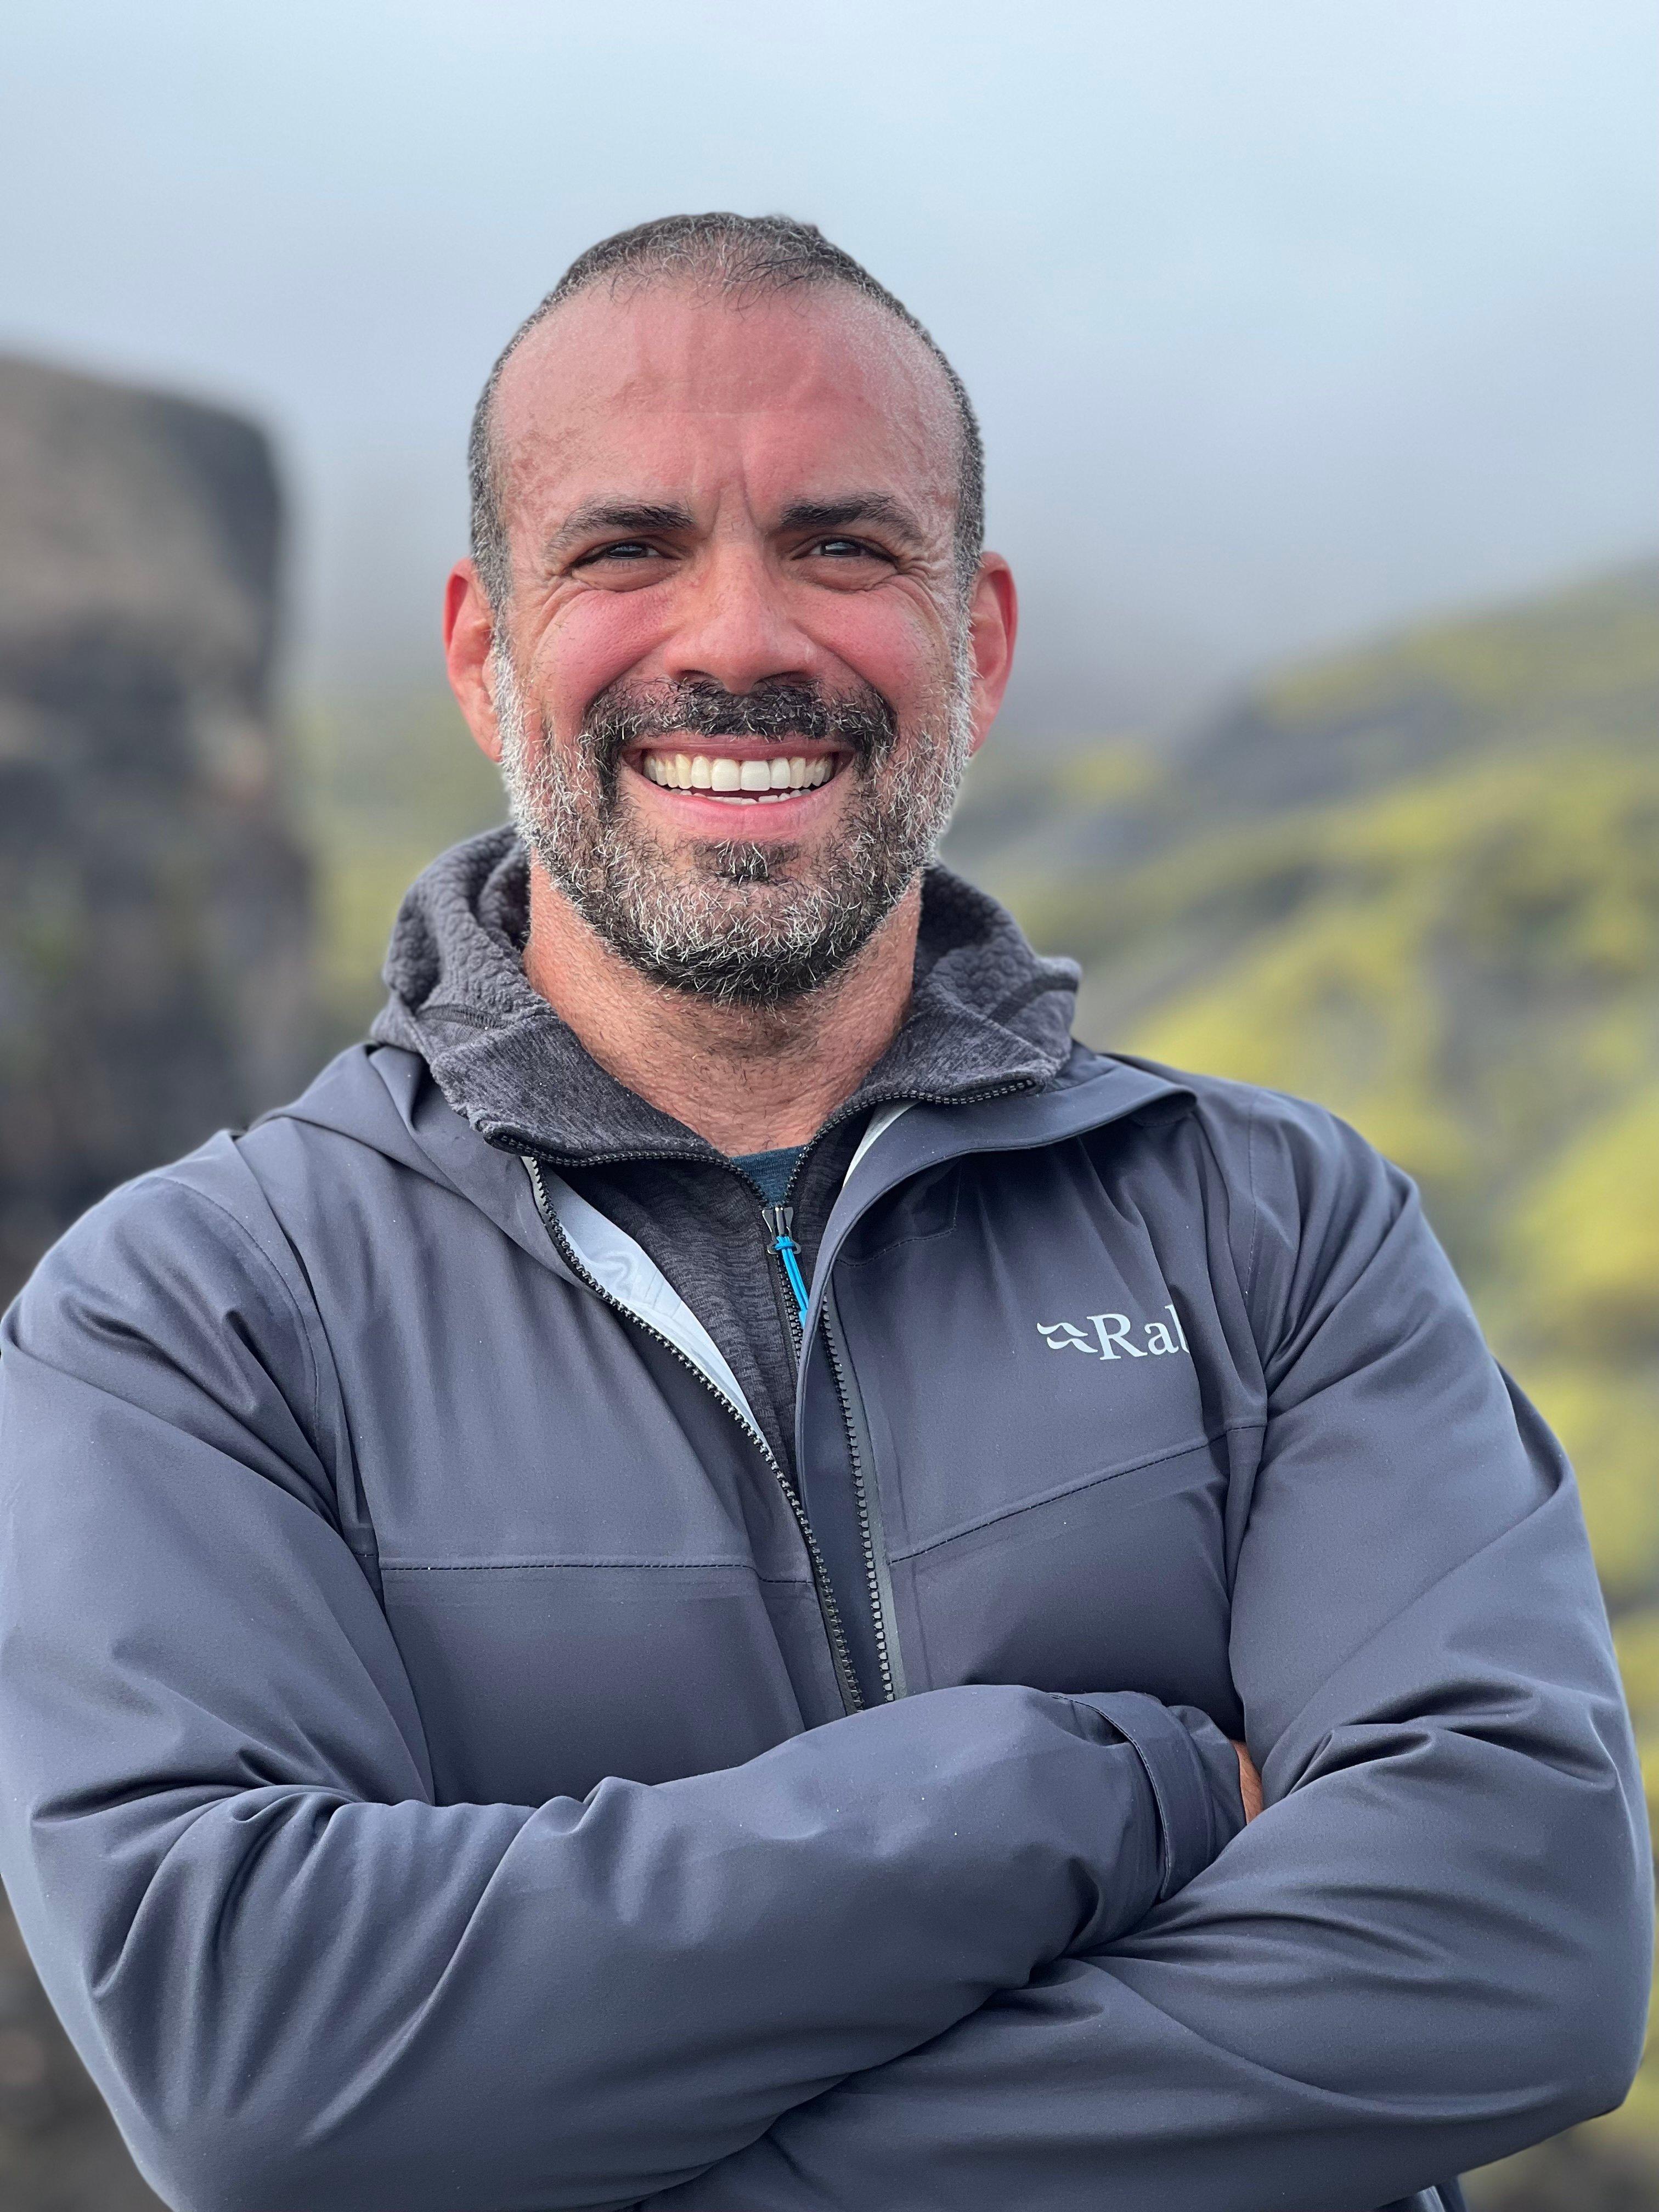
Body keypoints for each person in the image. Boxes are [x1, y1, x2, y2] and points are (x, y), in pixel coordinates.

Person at [0, 213, 1646, 2212]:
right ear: (481, 653)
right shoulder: (189, 1321)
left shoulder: (1277, 1229)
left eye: (846, 547)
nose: (740, 639)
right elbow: (255, 2064)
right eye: (626, 550)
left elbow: (1516, 1947)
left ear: (983, 640)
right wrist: (1090, 1787)